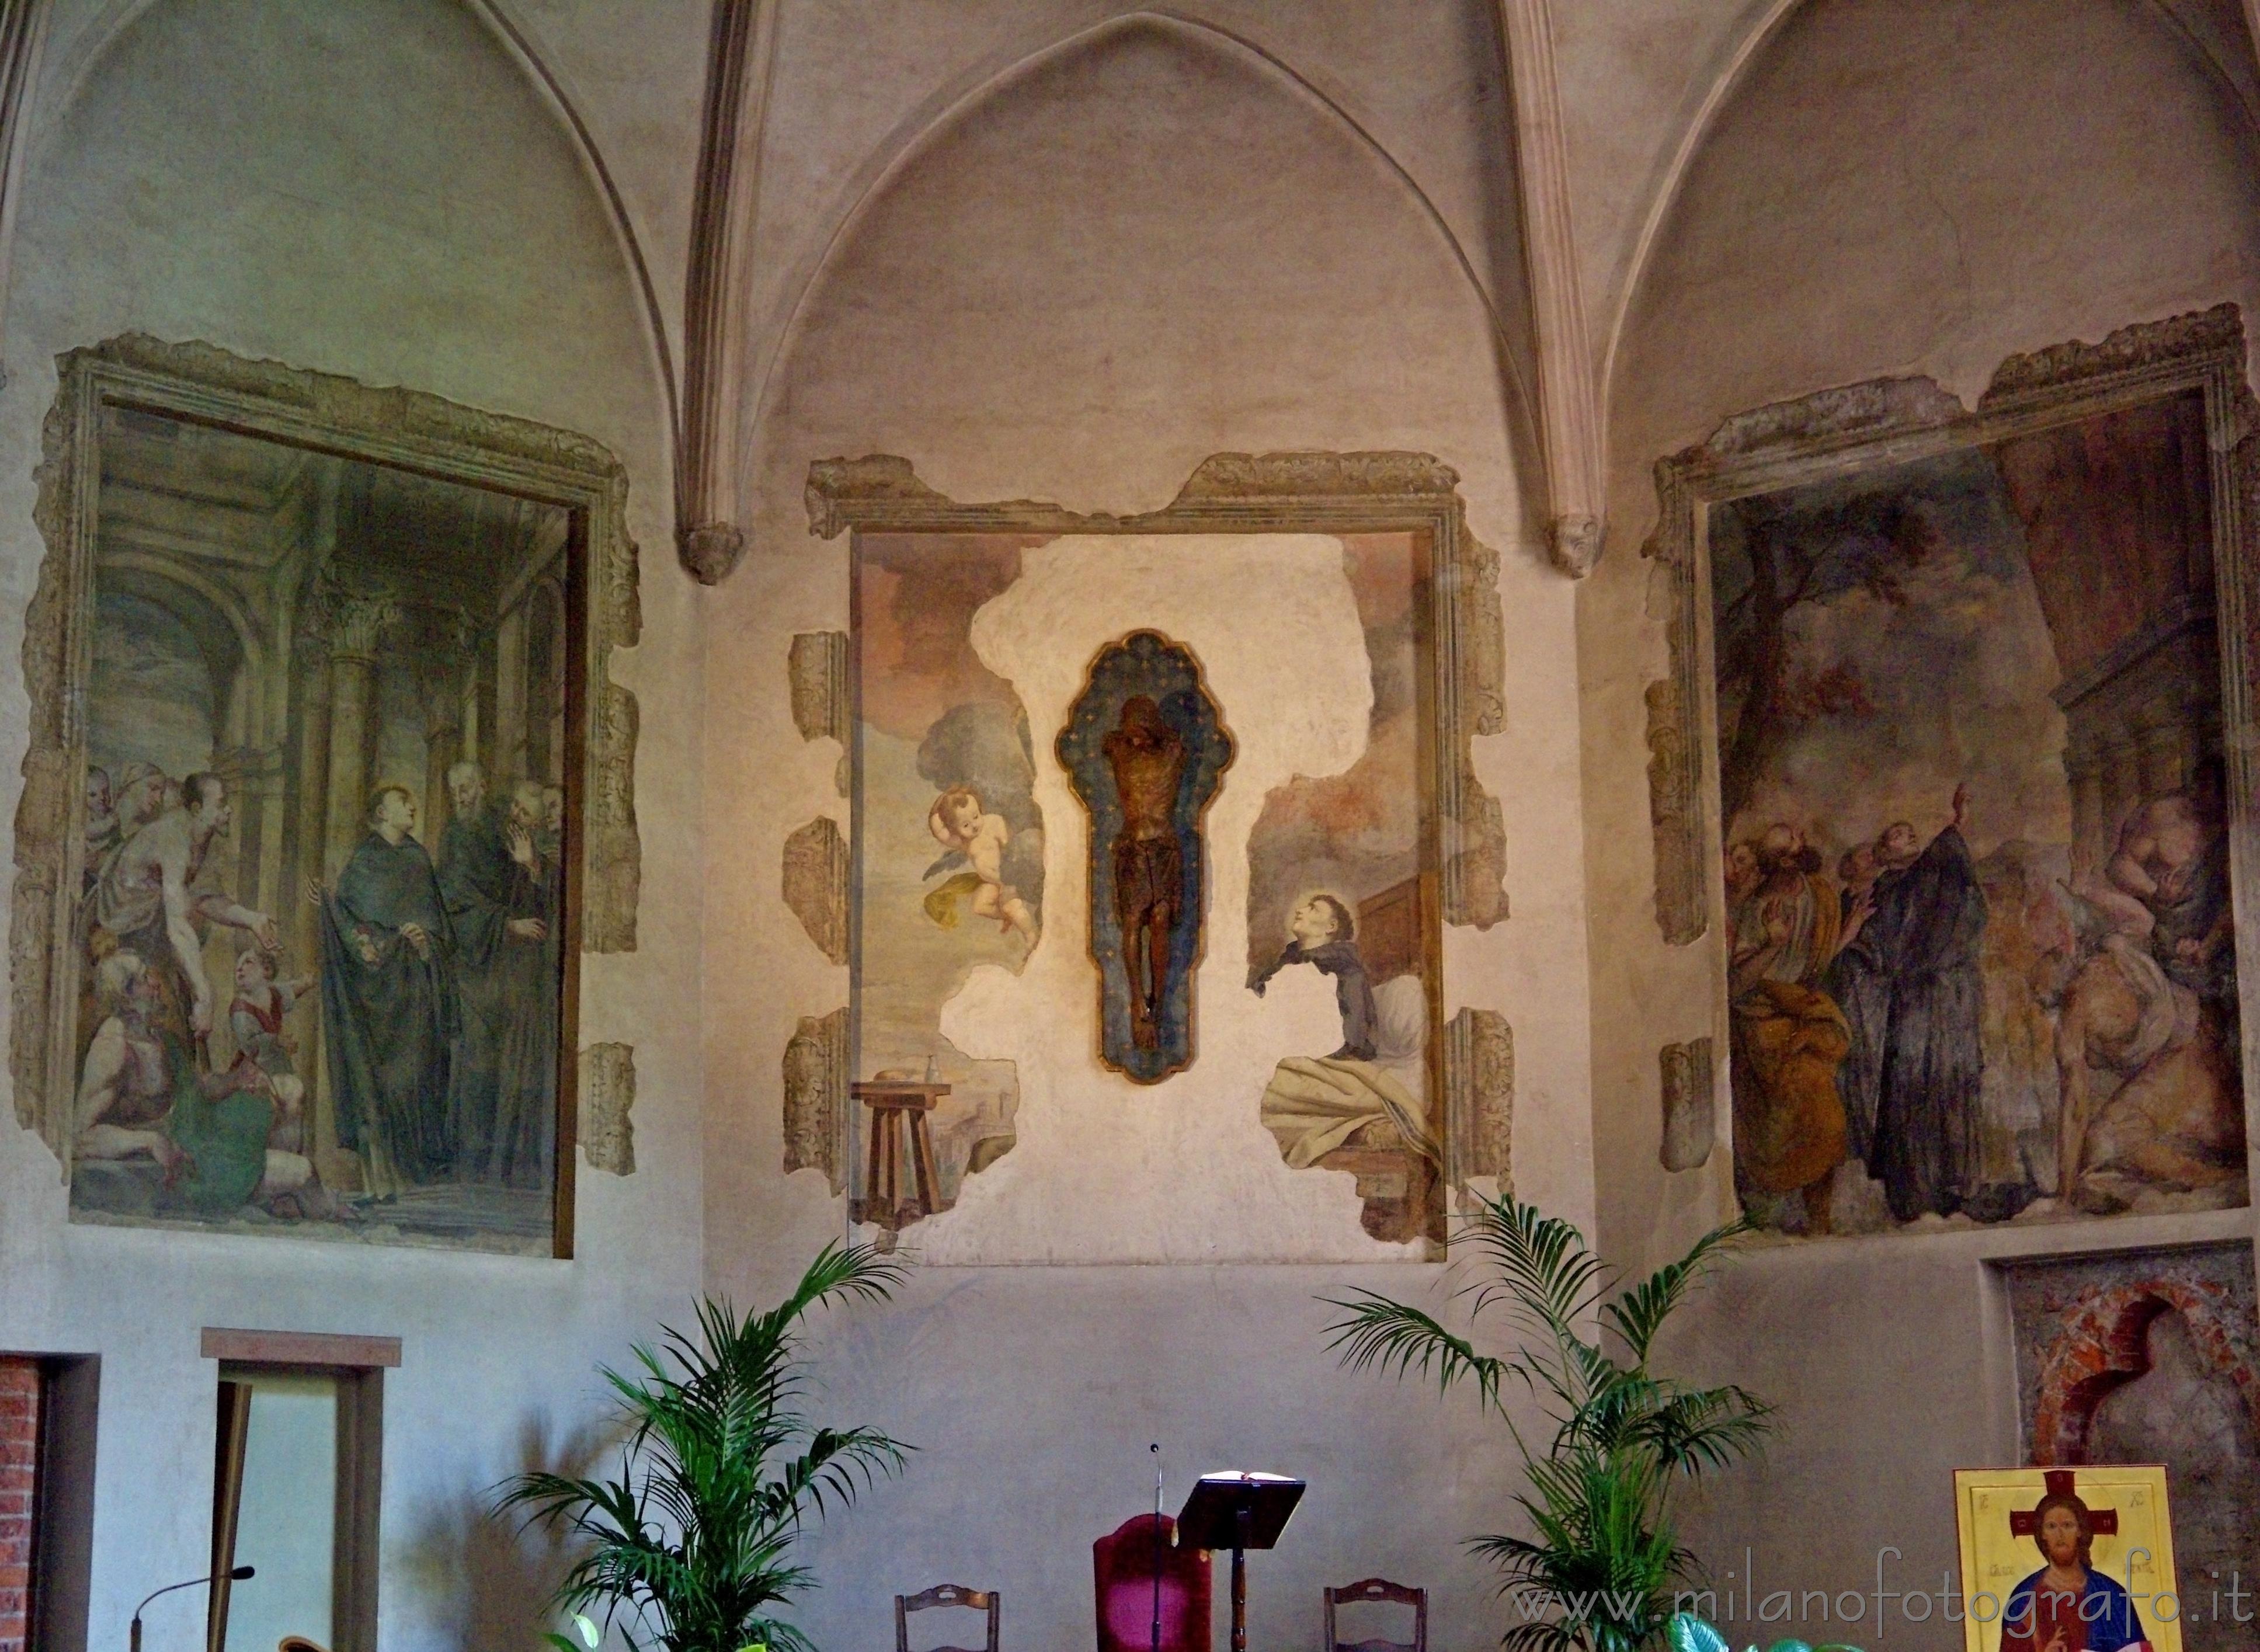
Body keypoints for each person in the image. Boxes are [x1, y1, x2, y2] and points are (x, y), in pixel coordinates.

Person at [1828, 785, 1988, 1221]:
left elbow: (1956, 895)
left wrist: (1958, 825)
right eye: (1898, 833)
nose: (1909, 834)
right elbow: (1877, 948)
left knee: (1951, 1081)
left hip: (1945, 999)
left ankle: (1955, 1180)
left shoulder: (1925, 880)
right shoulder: (1888, 891)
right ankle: (1915, 1187)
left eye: (1909, 830)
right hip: (1914, 1004)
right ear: (1884, 850)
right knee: (1914, 1087)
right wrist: (1957, 822)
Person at [74, 950, 307, 1215]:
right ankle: (270, 1193)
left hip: (197, 1130)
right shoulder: (112, 1049)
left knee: (290, 1090)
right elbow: (80, 1136)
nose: (156, 982)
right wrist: (146, 1141)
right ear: (126, 996)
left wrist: (236, 1080)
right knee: (302, 1173)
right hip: (186, 1154)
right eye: (144, 978)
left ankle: (274, 1200)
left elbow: (197, 1089)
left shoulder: (158, 1037)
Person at [315, 785, 457, 1197]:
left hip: (415, 993)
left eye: (413, 800)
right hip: (376, 998)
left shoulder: (418, 858)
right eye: (403, 802)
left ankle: (417, 1180)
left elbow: (442, 931)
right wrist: (383, 941)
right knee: (379, 1087)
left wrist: (424, 941)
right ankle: (383, 1183)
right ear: (381, 812)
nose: (413, 805)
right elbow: (350, 926)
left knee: (417, 1079)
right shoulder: (363, 862)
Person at [88, 772, 279, 1042]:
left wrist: (251, 919)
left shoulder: (201, 836)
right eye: (222, 803)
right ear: (197, 809)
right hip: (118, 934)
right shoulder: (174, 839)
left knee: (177, 1018)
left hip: (150, 930)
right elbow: (177, 923)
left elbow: (205, 898)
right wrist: (205, 994)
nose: (229, 810)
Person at [1727, 823, 1852, 1232]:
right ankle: (1769, 1214)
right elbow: (1738, 985)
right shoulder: (1756, 909)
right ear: (1783, 860)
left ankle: (1820, 1217)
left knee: (1827, 1120)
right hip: (1765, 1022)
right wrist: (1773, 945)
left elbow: (1819, 959)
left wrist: (1849, 933)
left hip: (1804, 1014)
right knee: (1777, 1129)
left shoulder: (1819, 893)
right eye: (1794, 840)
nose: (1803, 837)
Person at [436, 762, 550, 1179]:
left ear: (484, 786)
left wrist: (530, 868)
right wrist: (507, 924)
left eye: (467, 787)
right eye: (454, 790)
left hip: (511, 970)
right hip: (473, 964)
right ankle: (471, 1169)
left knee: (510, 1067)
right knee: (476, 1065)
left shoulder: (506, 835)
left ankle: (502, 1170)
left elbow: (529, 894)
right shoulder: (453, 837)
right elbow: (453, 903)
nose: (461, 796)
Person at [1103, 696, 1187, 1051]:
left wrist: (1148, 729)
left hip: (1164, 849)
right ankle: (1139, 999)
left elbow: (1172, 741)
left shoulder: (1170, 754)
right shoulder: (1121, 753)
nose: (1132, 738)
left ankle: (1159, 1002)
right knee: (1134, 921)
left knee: (1161, 920)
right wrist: (1134, 731)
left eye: (1138, 731)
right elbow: (1112, 740)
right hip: (1134, 849)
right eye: (1129, 731)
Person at [1998, 1488, 2154, 1652]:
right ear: (2042, 1534)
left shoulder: (2112, 1594)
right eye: (2051, 1526)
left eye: (2067, 1525)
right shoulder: (2023, 1597)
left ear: (2080, 1530)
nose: (2060, 1534)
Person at [1249, 894, 1378, 1060]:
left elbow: (1354, 1037)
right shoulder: (1282, 965)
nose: (1300, 911)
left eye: (1313, 909)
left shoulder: (1347, 970)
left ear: (1331, 926)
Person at [923, 786, 1038, 939]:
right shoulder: (964, 841)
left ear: (979, 808)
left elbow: (1011, 848)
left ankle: (1032, 936)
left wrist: (1011, 878)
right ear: (955, 829)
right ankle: (1009, 918)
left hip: (1008, 877)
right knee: (979, 906)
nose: (974, 825)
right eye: (965, 825)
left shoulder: (994, 823)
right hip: (992, 882)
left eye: (976, 816)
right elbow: (939, 831)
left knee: (1011, 906)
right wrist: (942, 803)